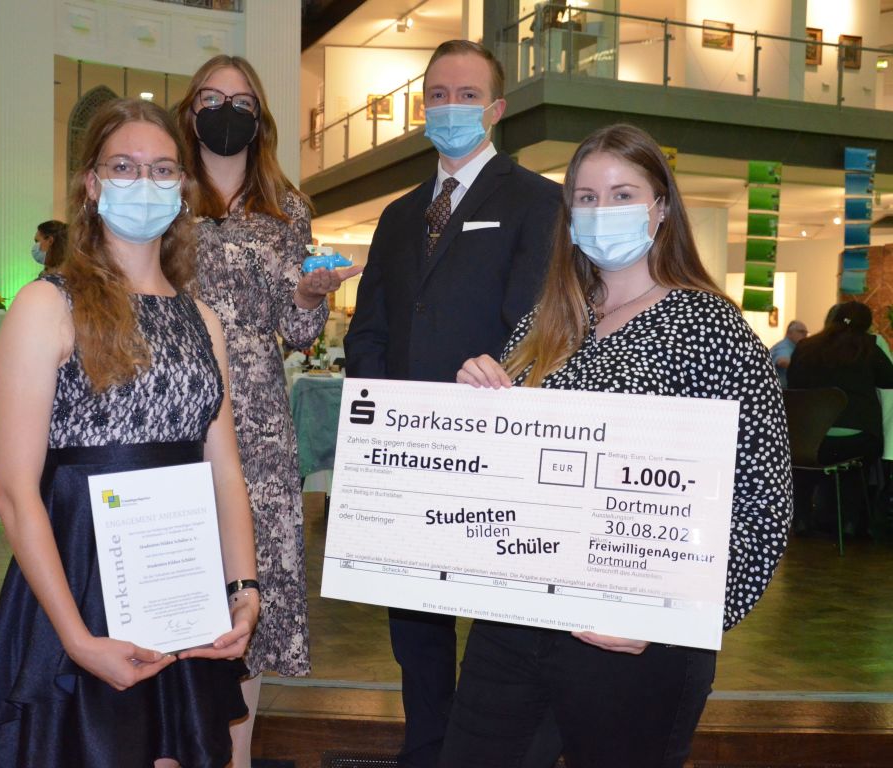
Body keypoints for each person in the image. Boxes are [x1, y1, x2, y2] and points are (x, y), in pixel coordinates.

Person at [442, 123, 792, 768]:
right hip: (515, 620)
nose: (603, 212)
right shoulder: (548, 318)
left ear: (661, 207)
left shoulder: (712, 327)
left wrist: (676, 616)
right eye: (586, 197)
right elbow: (504, 465)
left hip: (636, 633)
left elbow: (762, 502)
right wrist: (477, 405)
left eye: (622, 193)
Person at [0, 98, 260, 767]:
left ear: (183, 190)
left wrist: (243, 592)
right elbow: (15, 491)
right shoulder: (47, 304)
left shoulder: (201, 320)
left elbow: (225, 473)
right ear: (93, 184)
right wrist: (73, 637)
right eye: (123, 166)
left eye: (163, 169)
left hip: (179, 584)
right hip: (75, 584)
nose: (145, 182)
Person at [344, 39, 563, 768]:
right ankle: (427, 748)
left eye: (467, 94)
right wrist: (376, 416)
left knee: (502, 623)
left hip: (493, 446)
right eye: (437, 93)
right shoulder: (401, 214)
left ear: (496, 110)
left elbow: (536, 322)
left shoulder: (537, 201)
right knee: (415, 627)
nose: (450, 107)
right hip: (406, 451)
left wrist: (487, 403)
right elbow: (370, 324)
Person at [175, 54, 360, 767]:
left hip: (254, 403)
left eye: (242, 99)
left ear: (261, 115)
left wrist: (314, 297)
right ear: (191, 110)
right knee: (177, 565)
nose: (227, 110)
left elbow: (300, 329)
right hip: (174, 395)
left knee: (250, 586)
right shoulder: (167, 190)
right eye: (212, 97)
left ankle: (237, 756)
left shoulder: (288, 205)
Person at [787, 301, 893, 536]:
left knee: (806, 466)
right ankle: (850, 523)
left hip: (808, 442)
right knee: (858, 463)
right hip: (856, 440)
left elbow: (792, 383)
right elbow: (889, 381)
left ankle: (802, 518)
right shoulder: (869, 346)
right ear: (866, 325)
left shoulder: (804, 346)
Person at [769, 319, 807, 387]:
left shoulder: (793, 346)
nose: (805, 335)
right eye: (801, 331)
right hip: (781, 391)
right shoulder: (785, 346)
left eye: (806, 332)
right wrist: (805, 369)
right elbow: (782, 361)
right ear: (789, 333)